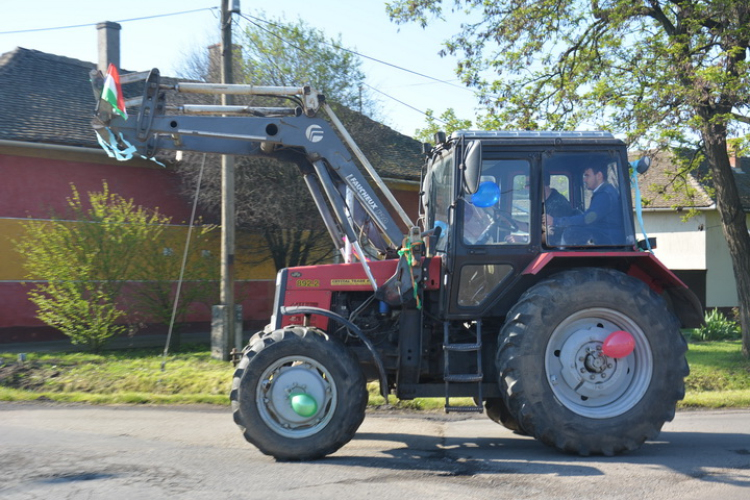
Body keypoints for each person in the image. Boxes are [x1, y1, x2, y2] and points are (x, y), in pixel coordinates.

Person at [546, 164, 624, 245]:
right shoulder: (604, 192)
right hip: (606, 238)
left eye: (587, 176)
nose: (584, 180)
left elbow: (587, 219)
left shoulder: (605, 195)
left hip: (609, 241)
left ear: (599, 175)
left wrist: (555, 221)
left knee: (571, 233)